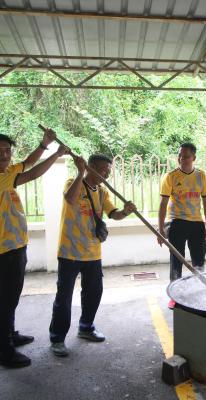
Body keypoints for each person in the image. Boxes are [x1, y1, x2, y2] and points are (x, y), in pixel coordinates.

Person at [49, 154, 136, 357]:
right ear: (90, 167)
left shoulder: (102, 192)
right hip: (70, 252)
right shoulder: (73, 182)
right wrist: (80, 173)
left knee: (93, 293)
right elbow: (70, 199)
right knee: (64, 297)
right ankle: (57, 339)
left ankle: (86, 327)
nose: (106, 174)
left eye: (108, 171)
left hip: (93, 253)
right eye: (102, 170)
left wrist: (125, 211)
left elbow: (113, 214)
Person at [0, 130, 69, 368]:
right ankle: (5, 350)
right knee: (6, 300)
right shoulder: (2, 178)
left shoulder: (7, 172)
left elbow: (27, 163)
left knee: (11, 297)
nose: (4, 156)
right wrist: (57, 153)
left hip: (15, 245)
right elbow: (32, 173)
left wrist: (44, 144)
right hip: (4, 251)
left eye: (7, 151)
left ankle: (9, 335)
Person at [158, 143, 206, 309]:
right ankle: (175, 297)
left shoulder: (201, 176)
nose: (183, 159)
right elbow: (163, 203)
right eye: (180, 156)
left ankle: (200, 294)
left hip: (197, 224)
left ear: (194, 158)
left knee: (198, 261)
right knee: (176, 261)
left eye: (187, 156)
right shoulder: (170, 176)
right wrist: (160, 229)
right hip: (177, 223)